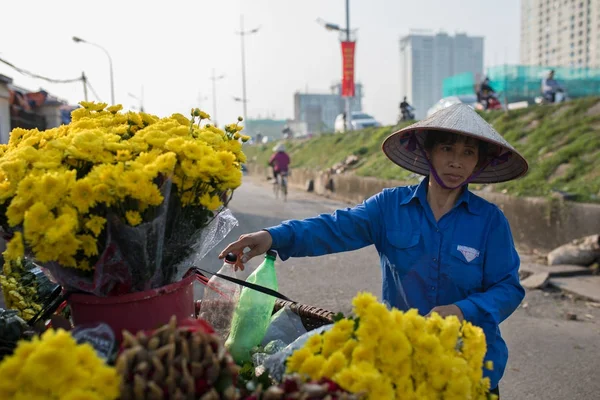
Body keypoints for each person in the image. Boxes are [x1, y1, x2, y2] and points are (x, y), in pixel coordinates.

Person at [220, 104, 529, 398]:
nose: (456, 162)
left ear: (478, 162)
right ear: (429, 152)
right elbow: (333, 228)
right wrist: (272, 237)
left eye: (468, 153)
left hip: (472, 368)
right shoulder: (390, 207)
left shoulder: (490, 221)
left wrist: (462, 311)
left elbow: (508, 289)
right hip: (401, 358)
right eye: (447, 149)